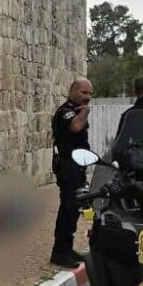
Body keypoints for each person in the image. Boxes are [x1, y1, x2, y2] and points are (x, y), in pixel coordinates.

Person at [50, 78, 93, 268]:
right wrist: (84, 111)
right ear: (73, 91)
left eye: (90, 94)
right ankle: (59, 253)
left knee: (74, 210)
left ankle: (67, 249)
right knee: (67, 209)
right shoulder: (65, 112)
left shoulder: (76, 110)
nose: (87, 97)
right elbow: (75, 126)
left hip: (77, 167)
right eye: (84, 93)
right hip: (67, 167)